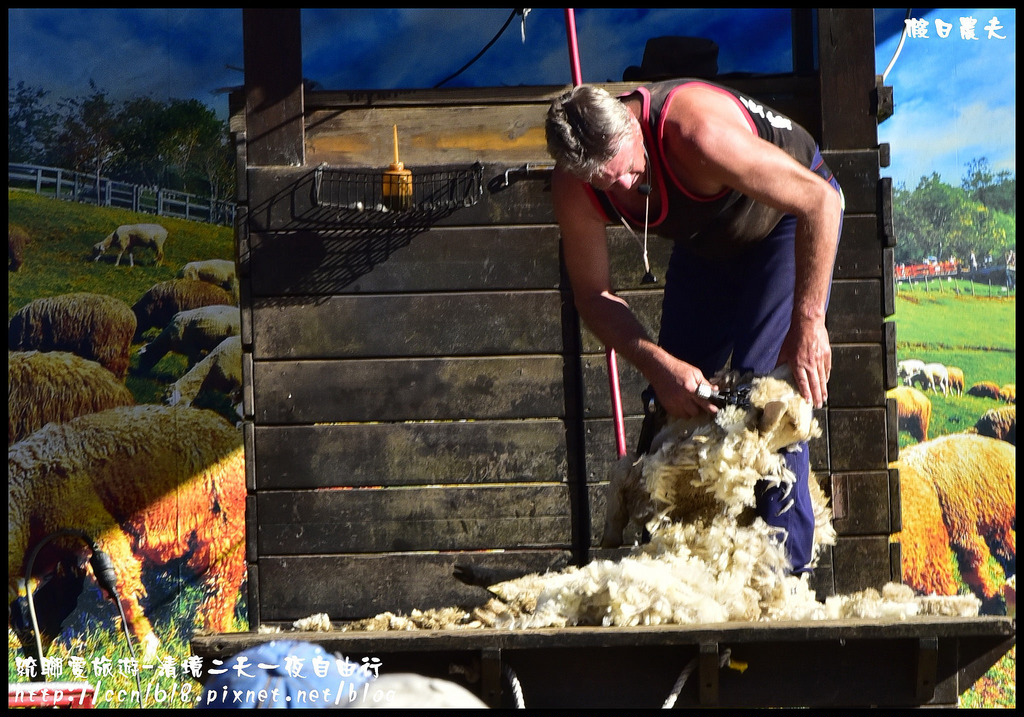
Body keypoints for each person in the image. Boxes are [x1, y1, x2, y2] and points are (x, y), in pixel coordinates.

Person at [545, 80, 844, 574]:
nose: (623, 189)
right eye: (606, 183)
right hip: (707, 240)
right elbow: (592, 295)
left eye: (628, 171)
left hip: (783, 222)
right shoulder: (574, 184)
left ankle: (786, 576)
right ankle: (665, 564)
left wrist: (810, 322)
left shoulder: (694, 134)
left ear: (633, 126)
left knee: (765, 396)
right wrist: (658, 366)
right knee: (674, 399)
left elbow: (820, 203)